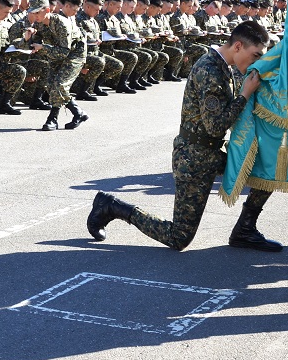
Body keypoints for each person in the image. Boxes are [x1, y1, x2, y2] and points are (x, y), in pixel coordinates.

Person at [87, 20, 277, 253]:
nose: (256, 62)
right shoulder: (210, 69)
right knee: (179, 238)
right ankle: (111, 207)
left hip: (212, 152)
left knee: (268, 170)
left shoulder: (228, 66)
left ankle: (245, 230)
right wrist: (245, 95)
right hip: (193, 159)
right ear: (238, 46)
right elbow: (215, 126)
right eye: (255, 55)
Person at [20, 0, 88, 131]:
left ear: (47, 10)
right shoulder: (39, 23)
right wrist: (28, 39)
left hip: (74, 54)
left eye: (37, 12)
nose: (35, 15)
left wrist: (43, 48)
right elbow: (35, 43)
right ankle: (76, 114)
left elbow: (64, 51)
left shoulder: (62, 23)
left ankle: (54, 118)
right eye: (32, 12)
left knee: (59, 85)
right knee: (51, 85)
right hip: (56, 52)